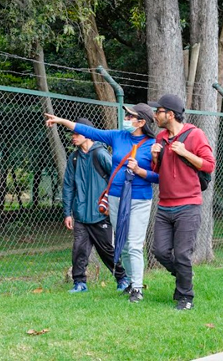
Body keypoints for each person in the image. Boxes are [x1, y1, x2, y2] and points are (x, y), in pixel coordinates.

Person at [45, 104, 158, 303]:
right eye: (126, 115)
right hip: (115, 197)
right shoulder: (117, 136)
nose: (126, 118)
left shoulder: (153, 144)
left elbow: (160, 176)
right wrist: (62, 121)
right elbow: (89, 131)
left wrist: (140, 171)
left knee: (133, 245)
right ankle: (130, 282)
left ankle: (137, 288)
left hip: (139, 198)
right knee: (121, 244)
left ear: (141, 122)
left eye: (130, 116)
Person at [149, 94, 215, 311]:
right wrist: (156, 158)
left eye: (158, 111)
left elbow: (208, 165)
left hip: (189, 204)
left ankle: (186, 297)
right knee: (160, 251)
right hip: (164, 205)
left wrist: (185, 152)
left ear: (170, 114)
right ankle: (183, 277)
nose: (155, 115)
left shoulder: (195, 135)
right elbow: (157, 172)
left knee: (182, 253)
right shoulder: (160, 138)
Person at [62, 118, 129, 293]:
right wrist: (67, 212)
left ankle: (122, 279)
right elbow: (68, 185)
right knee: (79, 250)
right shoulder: (74, 157)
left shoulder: (100, 154)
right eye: (73, 134)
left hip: (100, 213)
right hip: (81, 214)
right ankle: (79, 283)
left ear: (87, 133)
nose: (73, 137)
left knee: (107, 250)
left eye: (77, 133)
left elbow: (117, 177)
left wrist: (110, 202)